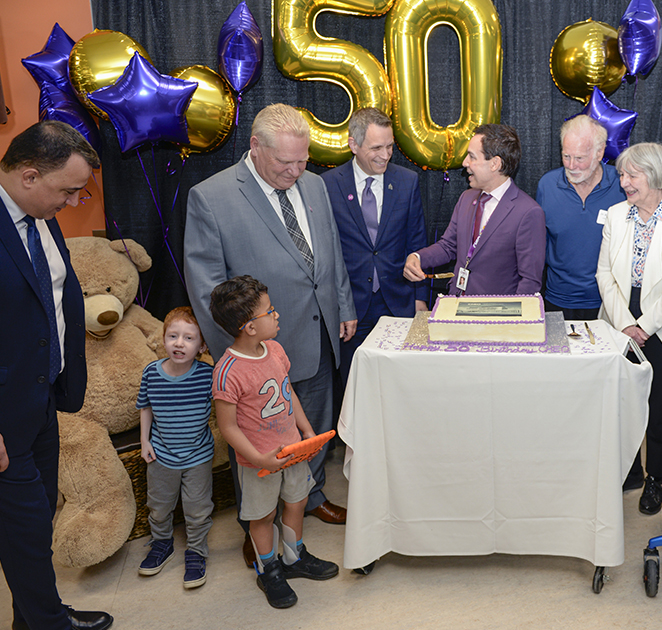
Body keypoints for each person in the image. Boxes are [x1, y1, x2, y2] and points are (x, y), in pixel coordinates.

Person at [184, 103, 357, 551]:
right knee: (258, 442)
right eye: (286, 162)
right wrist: (240, 352)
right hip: (255, 352)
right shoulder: (212, 196)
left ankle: (311, 495)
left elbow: (330, 255)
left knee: (311, 425)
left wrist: (343, 306)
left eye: (303, 161)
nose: (296, 171)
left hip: (317, 333)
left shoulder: (314, 186)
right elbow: (207, 288)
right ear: (255, 147)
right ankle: (257, 522)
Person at [0, 121, 113, 629]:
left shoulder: (39, 211)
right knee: (25, 531)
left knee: (34, 529)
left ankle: (34, 617)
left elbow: (47, 296)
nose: (74, 203)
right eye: (68, 191)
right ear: (29, 176)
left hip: (41, 404)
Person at [209, 276, 339, 609]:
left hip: (293, 453)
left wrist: (307, 431)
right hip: (259, 464)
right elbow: (228, 427)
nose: (277, 315)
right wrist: (259, 458)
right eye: (270, 311)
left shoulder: (276, 350)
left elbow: (288, 392)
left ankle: (294, 558)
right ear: (249, 327)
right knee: (263, 516)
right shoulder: (227, 371)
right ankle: (269, 570)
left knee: (296, 504)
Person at [595, 142, 662, 514]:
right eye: (622, 174)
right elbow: (604, 273)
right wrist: (625, 323)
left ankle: (657, 476)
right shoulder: (614, 214)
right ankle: (629, 471)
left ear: (656, 176)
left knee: (660, 405)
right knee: (623, 400)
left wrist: (644, 327)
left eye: (631, 175)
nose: (623, 182)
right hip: (621, 316)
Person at [322, 107, 427, 386]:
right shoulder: (327, 185)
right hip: (351, 309)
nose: (385, 155)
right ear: (353, 144)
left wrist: (420, 299)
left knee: (399, 386)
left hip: (398, 302)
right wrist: (341, 308)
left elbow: (417, 242)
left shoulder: (407, 181)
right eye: (376, 147)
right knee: (354, 386)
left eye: (390, 146)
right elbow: (327, 253)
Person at [403, 124, 545, 295]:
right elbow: (448, 246)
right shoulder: (466, 198)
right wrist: (418, 258)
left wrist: (512, 320)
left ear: (495, 164)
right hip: (456, 305)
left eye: (472, 157)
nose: (465, 163)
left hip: (494, 316)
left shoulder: (528, 212)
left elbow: (529, 281)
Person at [136, 306, 214, 589]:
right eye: (173, 336)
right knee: (158, 506)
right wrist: (145, 441)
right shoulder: (152, 373)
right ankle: (161, 544)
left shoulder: (208, 375)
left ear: (202, 345)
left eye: (189, 338)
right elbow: (145, 406)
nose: (179, 343)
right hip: (161, 455)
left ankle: (196, 551)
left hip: (198, 456)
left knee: (197, 509)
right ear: (164, 338)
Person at [536, 115, 626, 320]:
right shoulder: (547, 185)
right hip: (557, 298)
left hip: (608, 300)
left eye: (580, 158)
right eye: (566, 156)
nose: (571, 166)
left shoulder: (622, 185)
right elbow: (539, 242)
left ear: (599, 152)